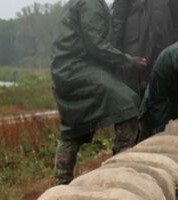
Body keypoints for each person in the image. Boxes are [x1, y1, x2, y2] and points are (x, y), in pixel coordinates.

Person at [50, 0, 147, 185]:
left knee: (73, 125)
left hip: (65, 71)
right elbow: (96, 45)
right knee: (127, 102)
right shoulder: (90, 4)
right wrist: (128, 61)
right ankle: (120, 167)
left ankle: (60, 181)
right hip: (78, 69)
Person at [110, 0, 178, 95]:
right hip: (135, 58)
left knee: (164, 98)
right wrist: (113, 57)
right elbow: (117, 23)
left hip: (164, 54)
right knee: (136, 99)